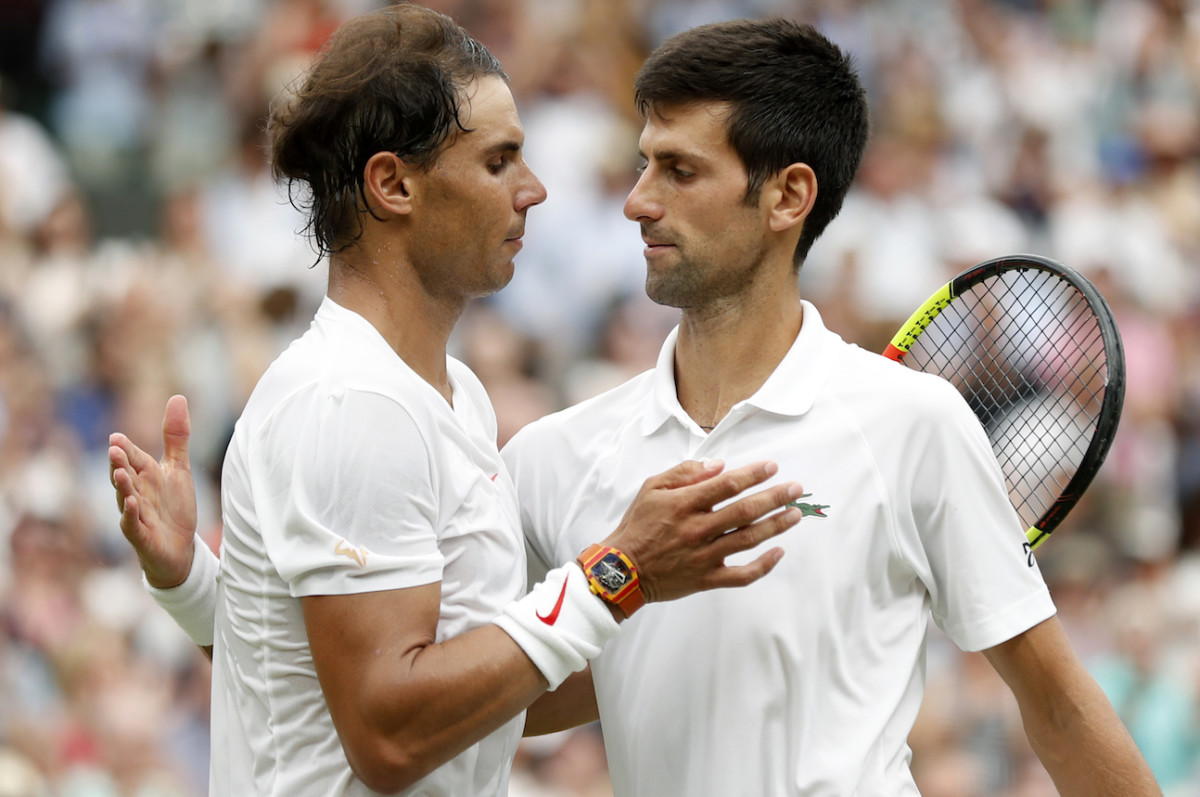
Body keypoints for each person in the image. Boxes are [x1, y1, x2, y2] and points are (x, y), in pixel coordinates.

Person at [113, 12, 1161, 797]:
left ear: (787, 196)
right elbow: (398, 702)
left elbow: (1058, 701)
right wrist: (628, 573)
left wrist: (198, 586)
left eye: (678, 169)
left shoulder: (913, 423)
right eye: (640, 162)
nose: (632, 200)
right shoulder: (553, 453)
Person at [109, 5, 807, 796]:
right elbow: (389, 734)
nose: (534, 190)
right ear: (393, 183)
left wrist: (716, 617)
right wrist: (621, 569)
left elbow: (453, 683)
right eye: (499, 161)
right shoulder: (353, 403)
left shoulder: (453, 395)